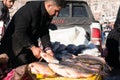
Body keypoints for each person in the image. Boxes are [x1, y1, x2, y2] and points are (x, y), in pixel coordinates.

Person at [0, 0, 66, 68]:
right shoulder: (29, 10)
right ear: (49, 5)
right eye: (56, 11)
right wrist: (32, 47)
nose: (57, 14)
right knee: (25, 66)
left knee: (43, 63)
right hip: (14, 46)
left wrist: (48, 48)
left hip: (29, 44)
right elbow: (19, 33)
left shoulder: (48, 14)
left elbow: (44, 32)